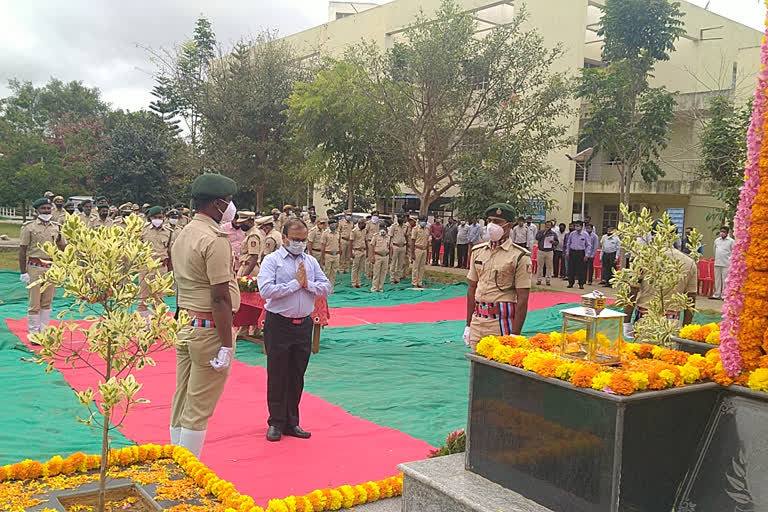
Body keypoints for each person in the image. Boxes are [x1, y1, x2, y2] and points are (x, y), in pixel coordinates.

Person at [169, 173, 240, 458]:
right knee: (198, 407)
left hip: (186, 323)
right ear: (218, 205)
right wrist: (226, 344)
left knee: (183, 397)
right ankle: (186, 472)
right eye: (230, 201)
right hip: (209, 327)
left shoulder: (184, 233)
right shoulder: (215, 238)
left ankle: (176, 458)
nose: (232, 207)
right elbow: (220, 296)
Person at [257, 218, 331, 442]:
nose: (300, 243)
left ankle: (292, 422)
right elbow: (266, 290)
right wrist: (295, 285)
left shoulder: (310, 262)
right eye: (295, 239)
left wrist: (307, 284)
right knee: (278, 374)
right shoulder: (273, 260)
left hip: (303, 325)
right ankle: (276, 422)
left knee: (297, 375)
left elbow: (326, 286)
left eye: (303, 239)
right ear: (285, 238)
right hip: (279, 324)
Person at [463, 203, 532, 351]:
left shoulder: (519, 256)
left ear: (509, 225)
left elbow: (523, 297)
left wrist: (515, 334)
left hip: (501, 322)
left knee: (499, 369)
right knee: (477, 369)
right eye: (490, 221)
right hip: (478, 319)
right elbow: (472, 288)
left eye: (497, 222)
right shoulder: (478, 251)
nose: (491, 226)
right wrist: (468, 324)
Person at [623, 246, 698, 339]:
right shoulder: (689, 263)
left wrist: (626, 323)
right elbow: (691, 298)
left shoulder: (643, 258)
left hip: (645, 321)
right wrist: (686, 329)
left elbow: (632, 292)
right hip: (672, 324)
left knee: (643, 352)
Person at [19, 198, 66, 339]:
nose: (46, 211)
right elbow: (22, 250)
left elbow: (62, 247)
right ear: (37, 210)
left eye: (48, 208)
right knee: (35, 302)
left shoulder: (56, 227)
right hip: (34, 267)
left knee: (47, 302)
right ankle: (34, 333)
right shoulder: (29, 227)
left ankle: (44, 332)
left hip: (51, 268)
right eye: (43, 209)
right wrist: (23, 272)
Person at [138, 206, 173, 321]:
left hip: (161, 268)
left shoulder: (169, 233)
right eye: (155, 217)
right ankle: (144, 325)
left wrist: (170, 271)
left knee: (158, 299)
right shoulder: (143, 230)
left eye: (160, 217)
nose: (158, 219)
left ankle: (156, 325)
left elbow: (170, 252)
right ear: (150, 218)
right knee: (143, 298)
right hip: (146, 268)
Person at [565, 221, 592, 289]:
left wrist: (587, 255)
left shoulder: (585, 234)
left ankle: (581, 283)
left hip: (581, 253)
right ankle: (571, 283)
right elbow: (568, 243)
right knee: (571, 268)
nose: (576, 227)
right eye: (575, 226)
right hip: (573, 252)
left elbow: (588, 245)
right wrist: (567, 252)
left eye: (578, 226)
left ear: (581, 226)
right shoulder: (572, 234)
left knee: (581, 269)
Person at [711, 226, 734, 300]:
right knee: (717, 279)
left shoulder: (731, 241)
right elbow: (714, 250)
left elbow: (733, 252)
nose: (722, 233)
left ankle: (724, 295)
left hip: (726, 263)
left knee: (725, 280)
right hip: (717, 262)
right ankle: (717, 294)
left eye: (724, 231)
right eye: (721, 231)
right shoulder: (717, 240)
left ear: (727, 233)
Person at [535, 221, 558, 286]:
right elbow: (537, 238)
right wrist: (544, 233)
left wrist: (553, 242)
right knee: (540, 266)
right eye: (546, 225)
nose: (548, 226)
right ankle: (539, 280)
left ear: (551, 226)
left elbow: (557, 242)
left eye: (549, 225)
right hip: (541, 251)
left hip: (549, 251)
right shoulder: (541, 232)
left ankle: (548, 280)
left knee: (549, 267)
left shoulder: (553, 233)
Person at [369, 222, 391, 292]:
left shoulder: (388, 237)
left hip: (386, 256)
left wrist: (390, 257)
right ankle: (374, 287)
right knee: (376, 272)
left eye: (384, 228)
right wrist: (372, 256)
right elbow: (372, 246)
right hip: (377, 256)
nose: (383, 230)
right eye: (382, 228)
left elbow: (390, 248)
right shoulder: (376, 236)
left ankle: (380, 287)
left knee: (383, 272)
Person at [320, 217, 342, 287]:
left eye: (335, 224)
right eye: (332, 224)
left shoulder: (338, 233)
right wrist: (322, 258)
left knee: (334, 272)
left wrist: (340, 252)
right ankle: (325, 287)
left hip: (336, 255)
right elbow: (323, 246)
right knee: (327, 272)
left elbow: (339, 243)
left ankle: (331, 287)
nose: (334, 225)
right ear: (329, 225)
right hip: (328, 254)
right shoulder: (325, 233)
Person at [388, 215, 408, 284]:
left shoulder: (406, 226)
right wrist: (389, 248)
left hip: (403, 246)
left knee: (400, 263)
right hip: (395, 246)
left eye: (402, 217)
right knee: (393, 263)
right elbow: (390, 237)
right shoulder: (393, 226)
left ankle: (397, 278)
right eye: (399, 217)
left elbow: (406, 236)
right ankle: (392, 279)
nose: (400, 219)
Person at [411, 216, 430, 288]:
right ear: (419, 221)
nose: (423, 222)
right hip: (417, 249)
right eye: (422, 220)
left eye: (425, 221)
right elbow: (412, 241)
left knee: (422, 267)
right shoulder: (415, 229)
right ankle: (414, 282)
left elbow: (427, 241)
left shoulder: (427, 230)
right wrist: (412, 253)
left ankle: (420, 282)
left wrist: (427, 252)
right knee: (416, 266)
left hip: (424, 249)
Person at [350, 219, 368, 288]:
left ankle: (358, 282)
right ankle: (353, 283)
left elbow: (365, 240)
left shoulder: (364, 230)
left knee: (361, 267)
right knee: (355, 267)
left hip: (363, 250)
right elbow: (351, 242)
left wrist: (367, 250)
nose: (365, 225)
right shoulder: (354, 231)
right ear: (360, 223)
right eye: (364, 224)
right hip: (356, 250)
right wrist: (351, 253)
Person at [365, 211, 380, 277]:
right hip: (370, 241)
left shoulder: (379, 224)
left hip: (378, 242)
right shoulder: (368, 223)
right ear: (371, 216)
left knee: (376, 258)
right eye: (374, 215)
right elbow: (365, 233)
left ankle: (374, 273)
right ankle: (368, 274)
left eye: (377, 215)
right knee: (369, 258)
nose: (376, 217)